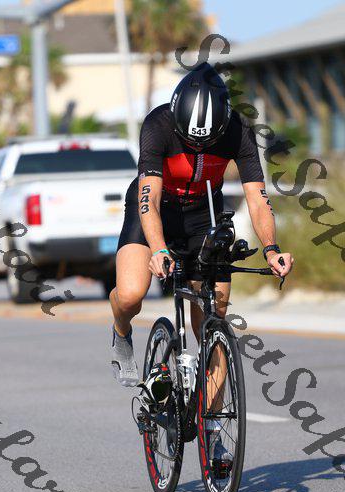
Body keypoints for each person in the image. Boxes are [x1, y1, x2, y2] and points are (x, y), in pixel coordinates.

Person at [110, 62, 293, 387]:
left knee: (213, 318)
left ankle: (211, 416)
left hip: (203, 213)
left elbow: (257, 199)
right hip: (156, 209)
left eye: (206, 142)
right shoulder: (157, 124)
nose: (197, 147)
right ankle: (121, 331)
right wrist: (159, 249)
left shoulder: (239, 130)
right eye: (189, 140)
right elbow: (149, 198)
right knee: (130, 295)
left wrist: (271, 249)